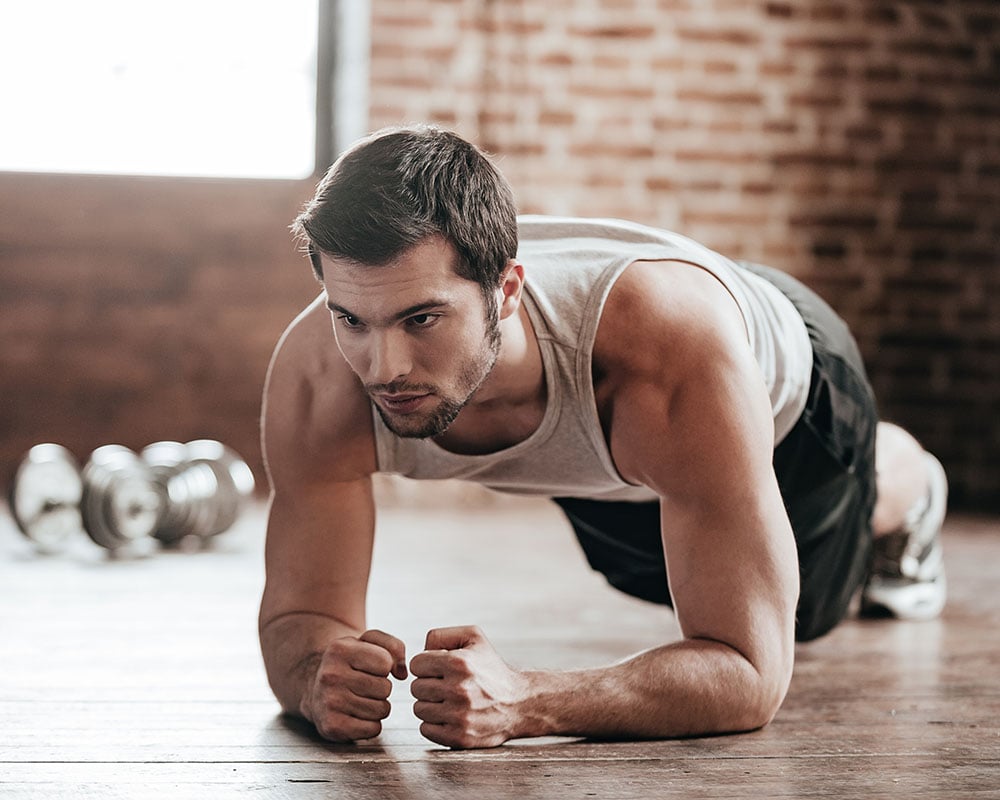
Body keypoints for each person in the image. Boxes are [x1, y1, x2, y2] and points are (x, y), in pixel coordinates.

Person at [258, 124, 948, 750]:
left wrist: (527, 701)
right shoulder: (319, 378)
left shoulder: (666, 361)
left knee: (812, 607)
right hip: (609, 456)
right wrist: (318, 674)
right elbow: (302, 615)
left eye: (421, 321)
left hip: (788, 389)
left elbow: (748, 674)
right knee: (646, 574)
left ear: (506, 293)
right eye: (352, 320)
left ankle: (910, 483)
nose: (384, 370)